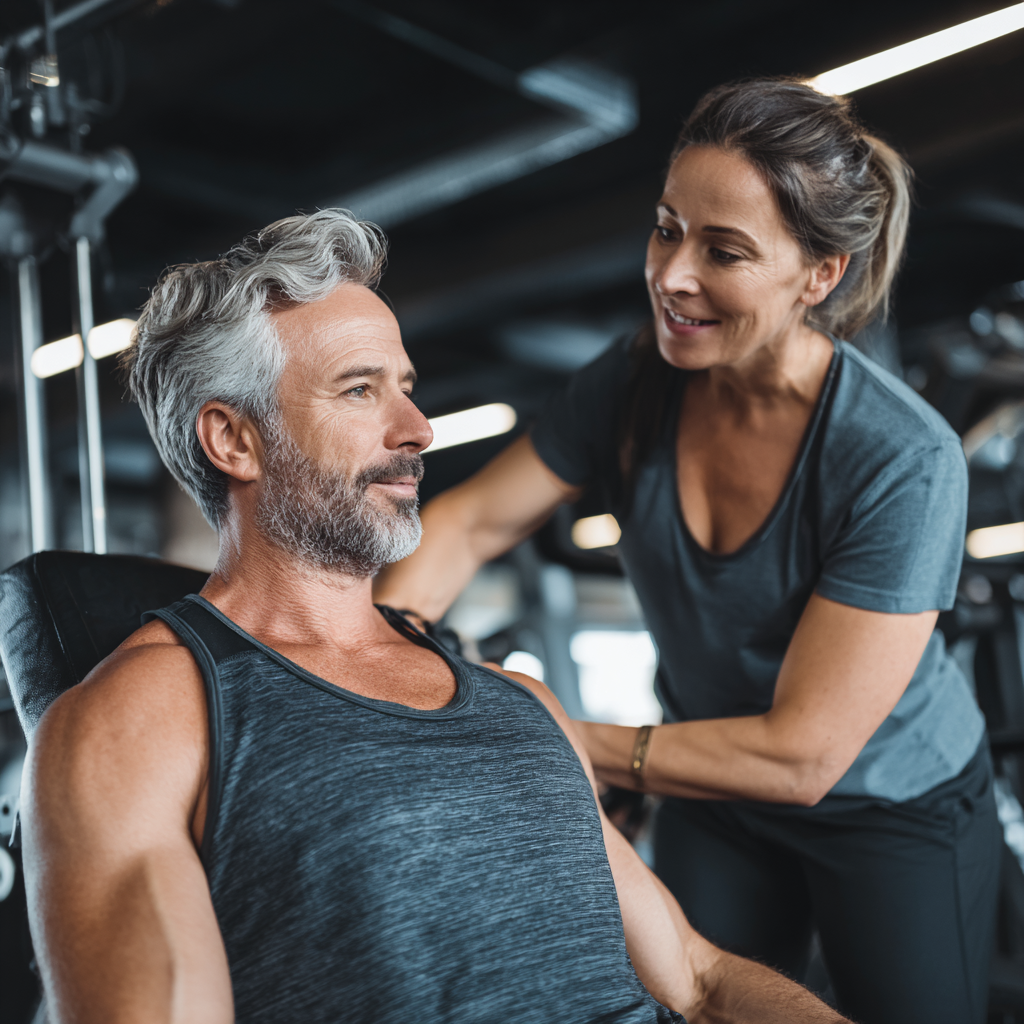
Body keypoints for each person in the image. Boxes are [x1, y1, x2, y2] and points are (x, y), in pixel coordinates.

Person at [20, 211, 847, 1024]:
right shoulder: (137, 727)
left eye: (407, 390)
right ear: (235, 441)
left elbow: (698, 983)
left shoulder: (520, 704)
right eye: (359, 390)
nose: (417, 430)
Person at [374, 79, 1002, 1024]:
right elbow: (470, 525)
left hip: (886, 801)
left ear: (819, 274)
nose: (671, 275)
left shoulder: (900, 458)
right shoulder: (633, 385)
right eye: (668, 229)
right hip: (716, 792)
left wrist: (550, 744)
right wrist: (387, 647)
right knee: (682, 1004)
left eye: (725, 250)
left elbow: (803, 755)